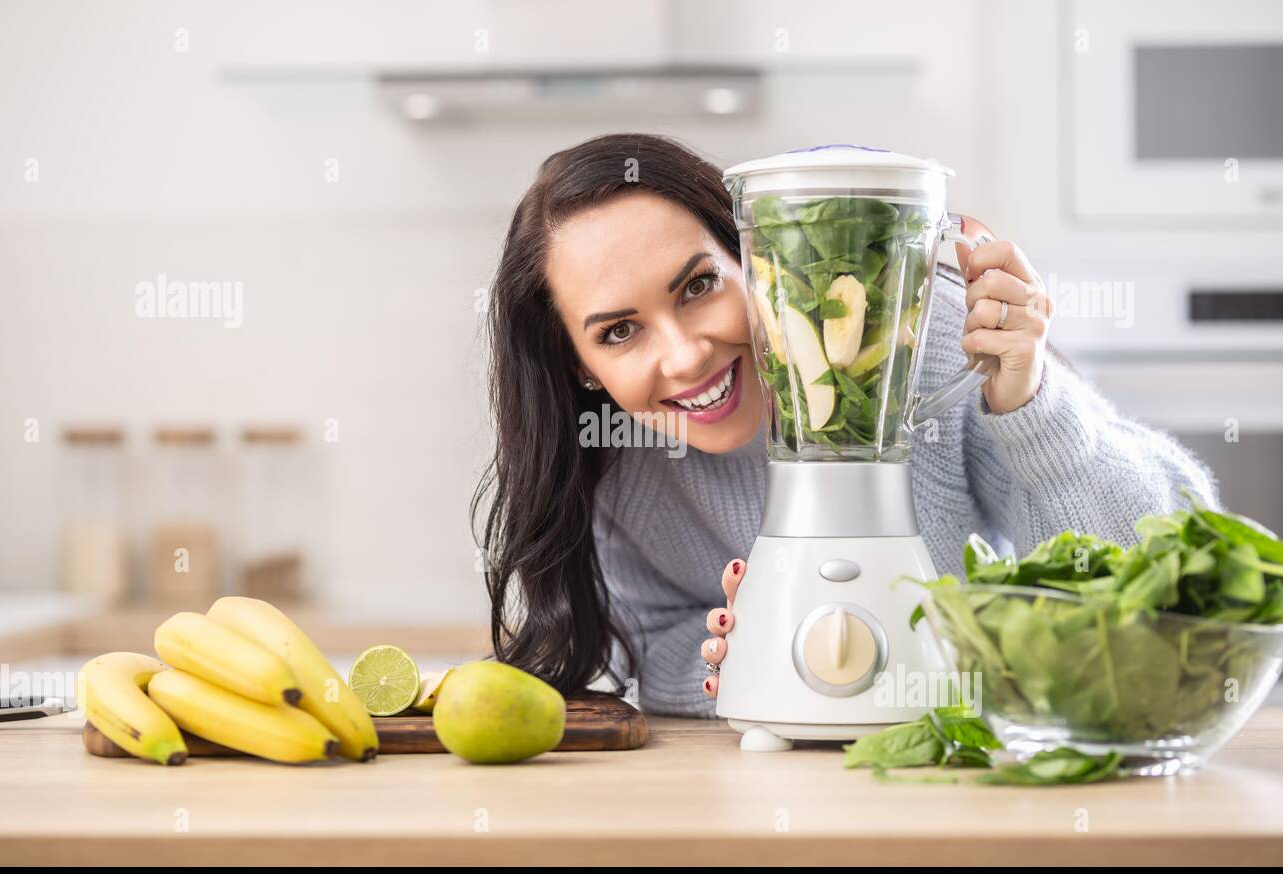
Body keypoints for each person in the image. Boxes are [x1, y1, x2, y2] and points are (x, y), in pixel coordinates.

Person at [473, 132, 1218, 717]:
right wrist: (725, 660)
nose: (686, 355)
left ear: (757, 259)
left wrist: (1031, 406)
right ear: (577, 365)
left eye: (699, 286)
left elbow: (1172, 579)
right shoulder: (606, 465)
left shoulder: (924, 347)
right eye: (618, 332)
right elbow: (651, 642)